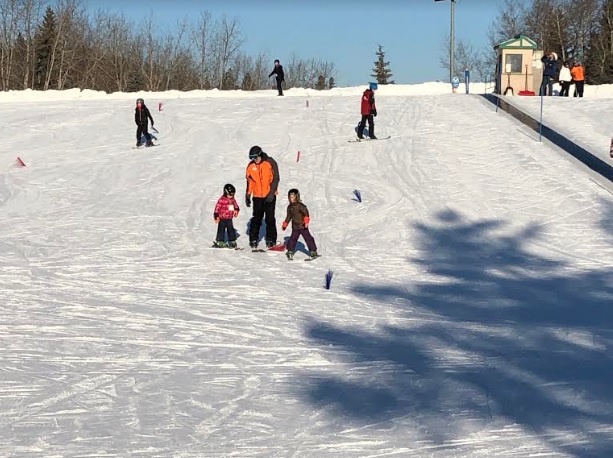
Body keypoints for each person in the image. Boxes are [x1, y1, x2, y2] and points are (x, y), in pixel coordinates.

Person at [245, 145, 280, 249]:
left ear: (259, 154)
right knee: (256, 218)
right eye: (251, 158)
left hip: (269, 195)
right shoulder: (251, 166)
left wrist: (271, 193)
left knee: (270, 218)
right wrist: (248, 194)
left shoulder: (270, 162)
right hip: (257, 196)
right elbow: (250, 181)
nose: (253, 160)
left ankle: (271, 239)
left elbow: (276, 178)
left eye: (254, 157)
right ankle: (253, 239)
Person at [282, 188, 318, 260]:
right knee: (293, 239)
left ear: (297, 197)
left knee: (308, 238)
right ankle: (290, 251)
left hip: (302, 226)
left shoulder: (301, 205)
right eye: (290, 197)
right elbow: (289, 216)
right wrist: (285, 223)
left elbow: (306, 213)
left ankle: (313, 251)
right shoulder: (289, 207)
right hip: (295, 227)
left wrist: (306, 221)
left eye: (293, 197)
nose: (292, 198)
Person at [213, 184, 240, 248]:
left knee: (231, 229)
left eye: (233, 195)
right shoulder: (222, 199)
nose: (231, 196)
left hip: (229, 218)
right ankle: (220, 241)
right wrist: (216, 215)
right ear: (226, 193)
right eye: (230, 195)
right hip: (222, 218)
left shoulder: (233, 199)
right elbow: (217, 207)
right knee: (221, 230)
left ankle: (232, 240)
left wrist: (236, 209)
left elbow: (235, 205)